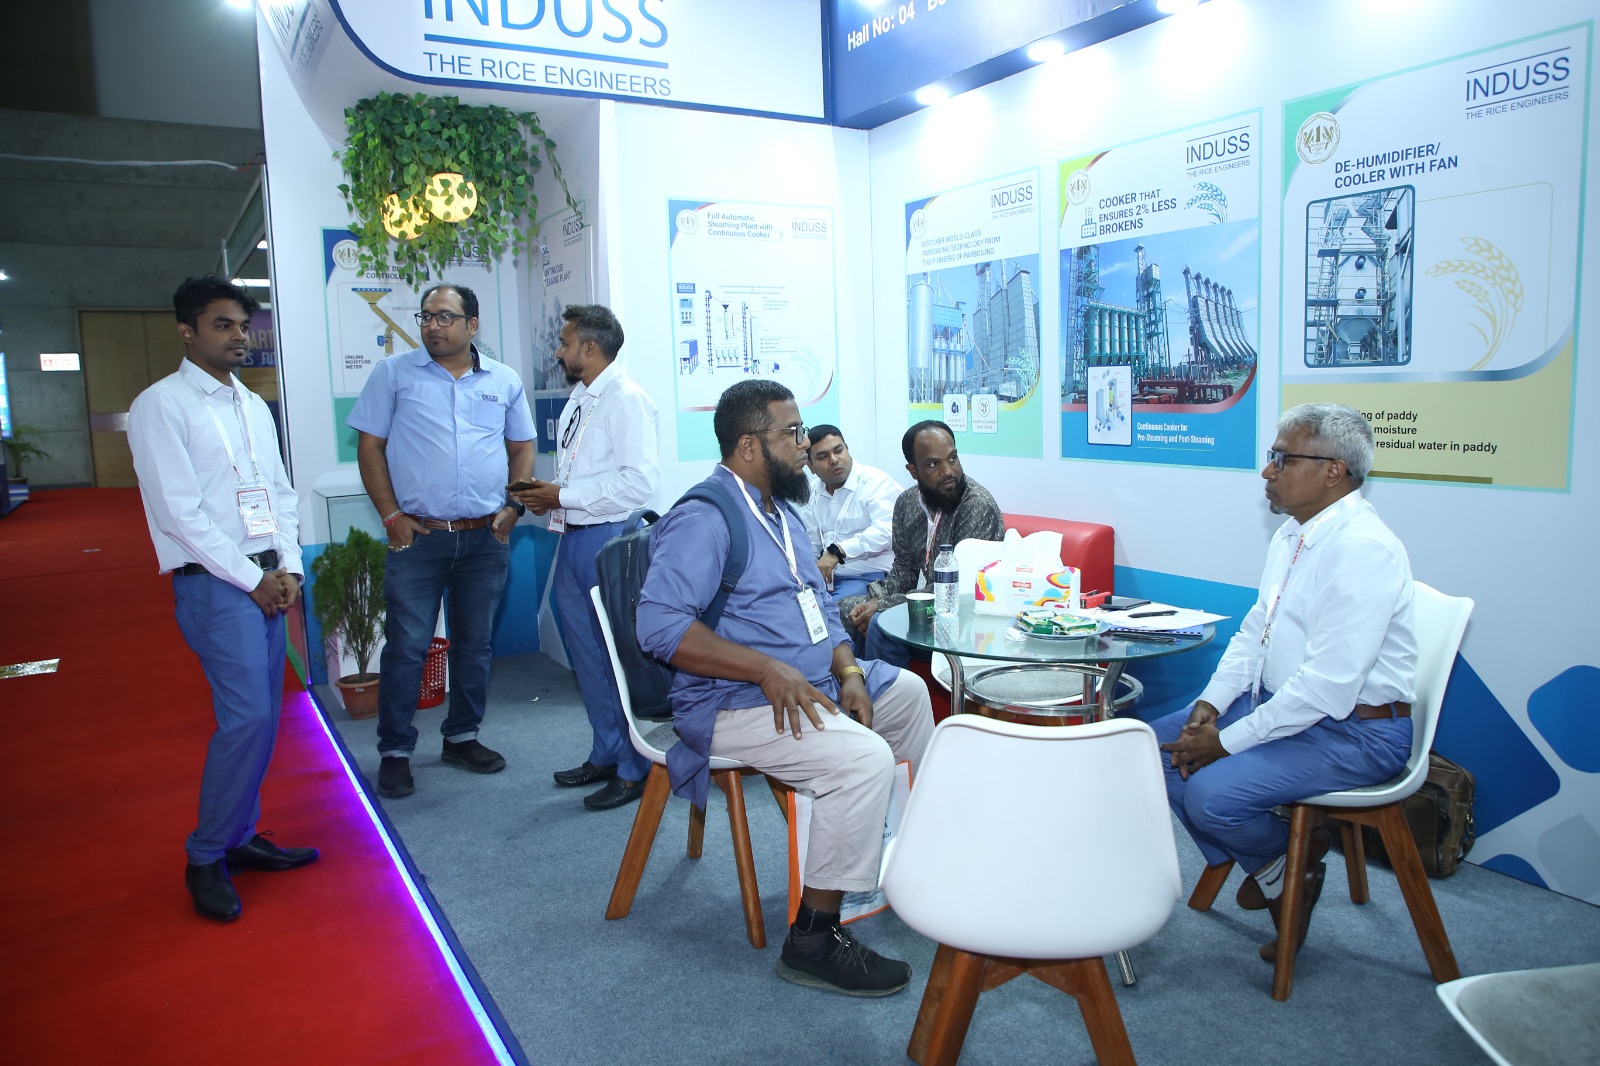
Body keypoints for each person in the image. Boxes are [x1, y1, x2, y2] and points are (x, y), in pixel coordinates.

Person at [635, 380, 934, 997]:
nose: (805, 445)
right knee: (863, 760)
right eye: (792, 433)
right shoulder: (705, 518)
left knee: (905, 694)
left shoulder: (782, 513)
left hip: (815, 679)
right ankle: (813, 940)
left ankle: (906, 862)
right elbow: (659, 627)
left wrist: (849, 670)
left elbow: (820, 605)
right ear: (750, 445)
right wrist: (766, 669)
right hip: (731, 700)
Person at [1155, 403, 1416, 961]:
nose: (1267, 470)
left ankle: (1278, 865)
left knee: (1210, 796)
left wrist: (1225, 741)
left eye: (1282, 458)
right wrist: (1211, 704)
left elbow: (1327, 688)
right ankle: (1279, 864)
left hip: (1356, 733)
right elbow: (1258, 633)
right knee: (1150, 750)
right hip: (1282, 706)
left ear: (1333, 472)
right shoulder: (1293, 535)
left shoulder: (1362, 551)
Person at [129, 275, 318, 923]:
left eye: (243, 325)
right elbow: (179, 515)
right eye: (222, 325)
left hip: (266, 579)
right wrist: (251, 578)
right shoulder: (162, 406)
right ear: (187, 332)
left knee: (263, 720)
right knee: (247, 722)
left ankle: (239, 837)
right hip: (217, 586)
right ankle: (206, 854)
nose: (239, 336)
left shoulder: (253, 405)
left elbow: (280, 493)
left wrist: (289, 567)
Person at [348, 282, 535, 799]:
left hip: (485, 537)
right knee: (407, 647)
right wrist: (390, 515)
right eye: (426, 316)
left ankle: (462, 736)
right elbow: (370, 447)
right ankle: (395, 750)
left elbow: (522, 446)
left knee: (475, 645)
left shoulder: (503, 380)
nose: (433, 325)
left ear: (472, 325)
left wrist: (514, 505)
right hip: (418, 537)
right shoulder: (393, 374)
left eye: (445, 317)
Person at [509, 304, 660, 811]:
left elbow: (639, 483)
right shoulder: (581, 396)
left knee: (614, 657)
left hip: (608, 539)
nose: (558, 351)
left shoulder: (627, 399)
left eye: (565, 342)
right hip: (572, 536)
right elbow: (580, 471)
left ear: (590, 348)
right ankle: (607, 751)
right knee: (587, 656)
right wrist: (549, 494)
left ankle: (636, 768)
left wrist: (564, 496)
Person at [841, 420, 1004, 668]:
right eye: (933, 464)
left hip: (964, 613)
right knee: (845, 611)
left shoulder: (976, 506)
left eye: (952, 458)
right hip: (927, 604)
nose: (948, 471)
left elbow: (954, 588)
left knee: (881, 623)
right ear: (913, 471)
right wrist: (877, 599)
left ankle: (889, 690)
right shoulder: (907, 503)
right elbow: (905, 567)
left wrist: (884, 605)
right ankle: (851, 684)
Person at [796, 423, 900, 602]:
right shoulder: (812, 493)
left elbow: (887, 531)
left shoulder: (875, 482)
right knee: (794, 605)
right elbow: (811, 545)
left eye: (838, 450)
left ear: (847, 449)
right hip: (827, 580)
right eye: (823, 456)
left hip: (871, 577)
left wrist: (839, 551)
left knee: (832, 609)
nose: (834, 460)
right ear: (810, 465)